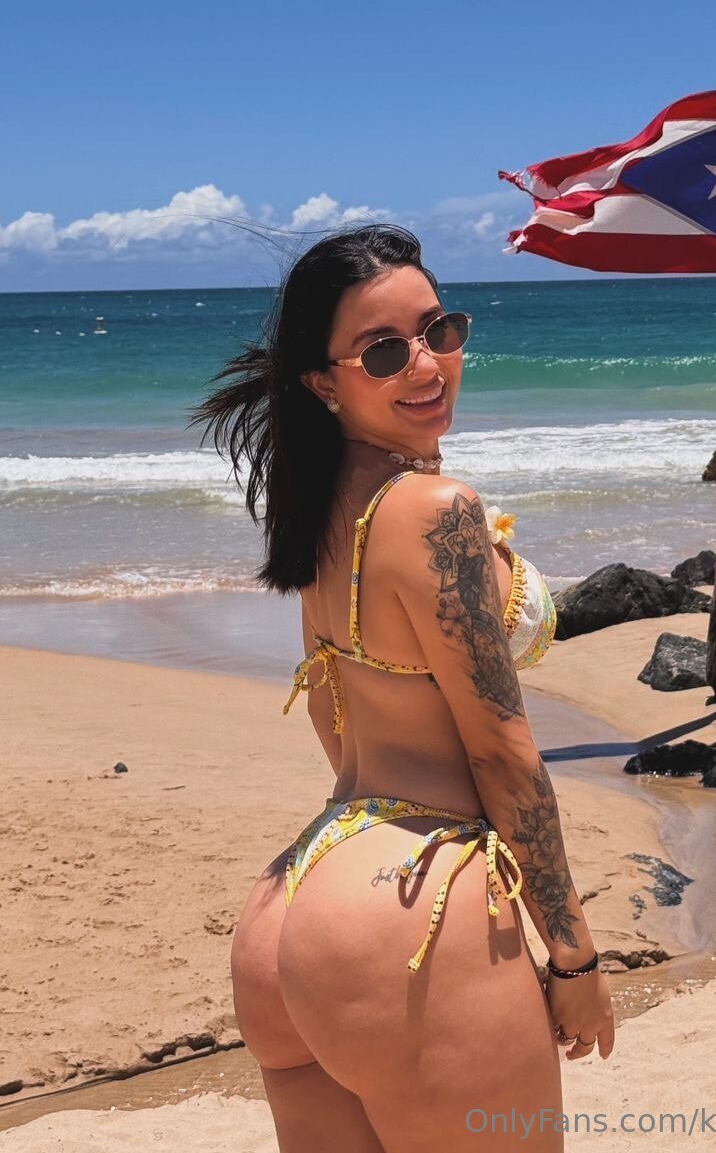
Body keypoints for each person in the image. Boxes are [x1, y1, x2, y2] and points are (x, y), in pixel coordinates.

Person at [195, 224, 615, 1152]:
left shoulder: (321, 504)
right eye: (384, 351)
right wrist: (574, 955)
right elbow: (500, 750)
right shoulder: (435, 509)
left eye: (439, 330)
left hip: (297, 900)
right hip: (412, 911)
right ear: (324, 382)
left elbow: (329, 703)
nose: (427, 364)